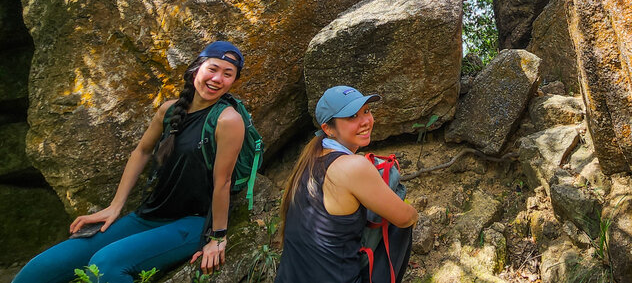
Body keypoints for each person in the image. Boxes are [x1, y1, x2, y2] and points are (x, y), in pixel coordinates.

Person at [13, 41, 248, 283]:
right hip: (148, 216)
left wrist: (218, 237)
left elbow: (223, 182)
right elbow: (142, 151)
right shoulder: (169, 110)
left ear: (233, 81)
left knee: (104, 264)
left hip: (194, 223)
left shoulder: (227, 120)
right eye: (212, 69)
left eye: (227, 74)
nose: (217, 79)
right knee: (37, 270)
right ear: (196, 68)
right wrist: (115, 206)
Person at [275, 85, 418, 283]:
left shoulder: (309, 161)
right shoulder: (353, 166)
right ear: (328, 128)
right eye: (352, 116)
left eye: (366, 111)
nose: (365, 121)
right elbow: (405, 218)